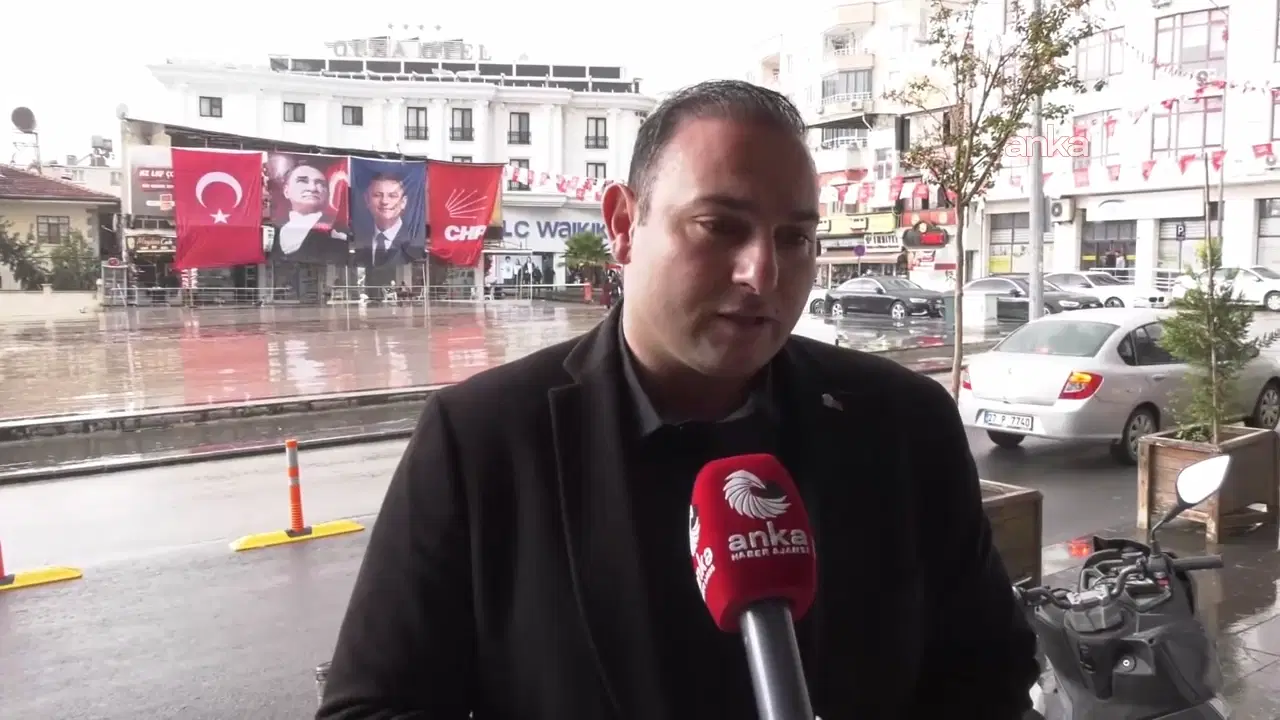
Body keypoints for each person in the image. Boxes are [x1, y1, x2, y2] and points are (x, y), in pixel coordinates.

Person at [318, 80, 1038, 719]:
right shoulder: (481, 441)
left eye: (794, 236)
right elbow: (372, 706)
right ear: (622, 225)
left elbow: (989, 674)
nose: (763, 273)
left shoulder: (903, 424)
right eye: (720, 226)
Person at [273, 161, 347, 262]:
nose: (312, 188)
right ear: (286, 191)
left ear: (327, 193)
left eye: (320, 184)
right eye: (302, 181)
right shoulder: (274, 228)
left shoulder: (339, 228)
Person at [353, 173, 417, 268]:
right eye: (377, 195)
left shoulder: (414, 241)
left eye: (392, 196)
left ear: (403, 202)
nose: (384, 201)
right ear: (367, 200)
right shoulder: (358, 239)